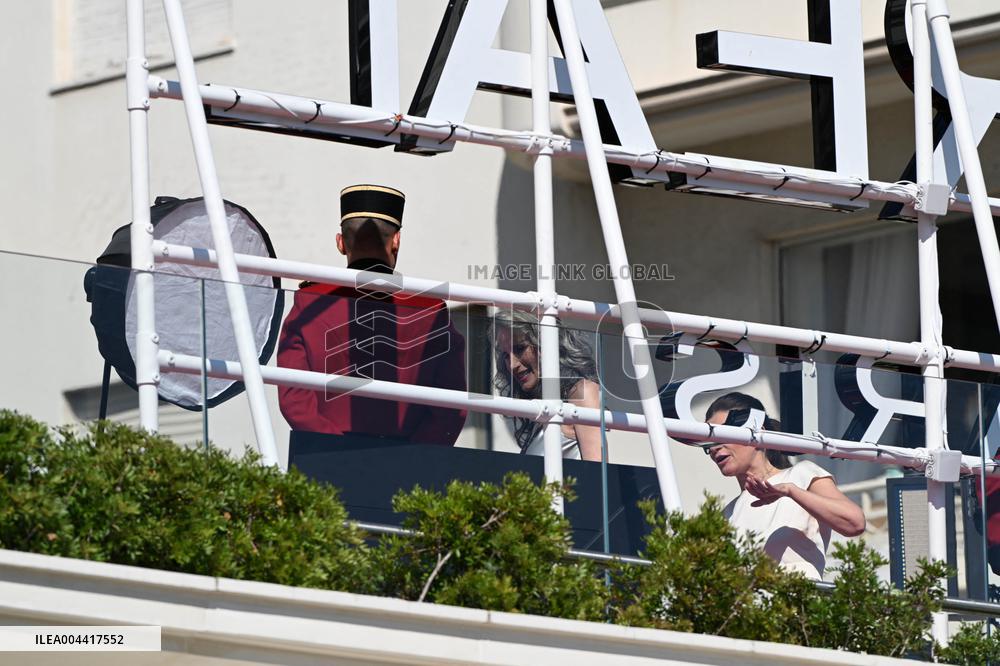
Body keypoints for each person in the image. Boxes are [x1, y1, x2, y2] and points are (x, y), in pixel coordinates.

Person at [277, 184, 467, 445]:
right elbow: (451, 406)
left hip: (324, 459)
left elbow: (294, 400)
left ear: (340, 243)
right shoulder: (429, 307)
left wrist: (337, 448)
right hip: (409, 466)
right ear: (397, 240)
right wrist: (414, 455)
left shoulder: (310, 301)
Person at [703, 392, 865, 579]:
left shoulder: (801, 474)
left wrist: (790, 491)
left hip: (797, 600)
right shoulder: (728, 513)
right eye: (709, 439)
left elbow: (855, 523)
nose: (714, 447)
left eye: (723, 434)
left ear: (757, 430)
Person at [493, 310, 603, 461]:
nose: (512, 365)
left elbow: (599, 476)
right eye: (505, 355)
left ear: (546, 344)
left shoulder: (581, 392)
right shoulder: (543, 409)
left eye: (519, 349)